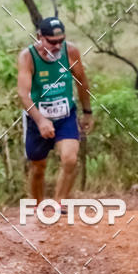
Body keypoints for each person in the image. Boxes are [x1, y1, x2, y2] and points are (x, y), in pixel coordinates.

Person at [17, 16, 93, 207]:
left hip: (65, 116)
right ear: (39, 37)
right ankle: (37, 207)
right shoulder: (27, 57)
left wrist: (87, 112)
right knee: (38, 167)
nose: (57, 46)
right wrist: (41, 120)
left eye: (60, 41)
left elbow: (82, 81)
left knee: (70, 159)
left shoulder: (70, 51)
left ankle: (59, 204)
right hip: (36, 119)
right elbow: (23, 95)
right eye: (52, 42)